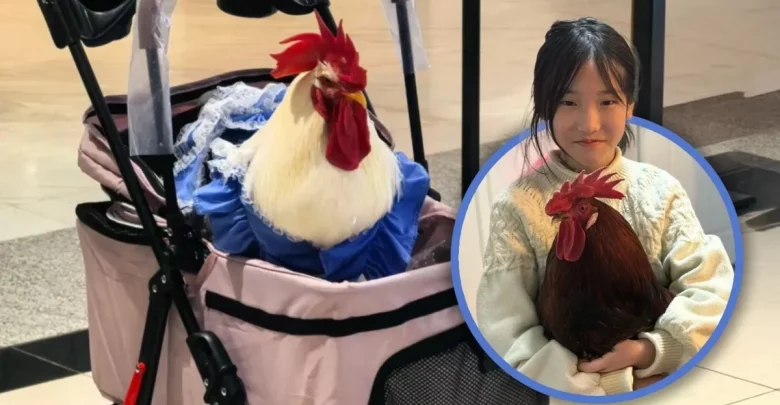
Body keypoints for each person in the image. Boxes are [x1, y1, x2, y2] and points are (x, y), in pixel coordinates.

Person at [475, 17, 734, 395]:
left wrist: (651, 351)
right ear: (545, 107)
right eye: (568, 102)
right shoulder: (516, 207)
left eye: (607, 101)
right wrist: (597, 385)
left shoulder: (661, 191)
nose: (589, 123)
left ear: (630, 105)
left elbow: (711, 290)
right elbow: (505, 331)